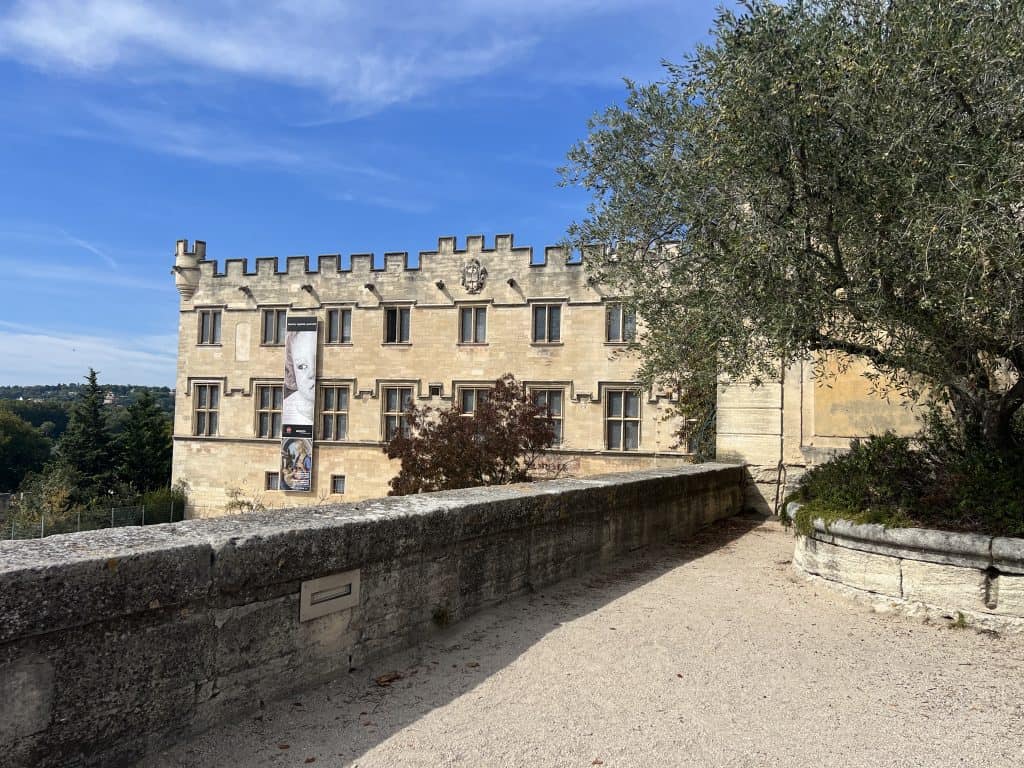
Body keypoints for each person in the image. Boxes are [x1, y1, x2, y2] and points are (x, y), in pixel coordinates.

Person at [282, 329, 316, 426]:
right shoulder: (287, 412)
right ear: (291, 370)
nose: (312, 373)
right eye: (302, 366)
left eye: (318, 363)